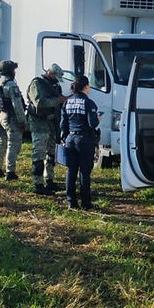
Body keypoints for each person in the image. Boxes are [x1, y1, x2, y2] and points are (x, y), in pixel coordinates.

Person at [59, 75, 102, 209]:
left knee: (71, 171)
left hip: (70, 139)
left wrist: (65, 138)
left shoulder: (67, 102)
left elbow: (63, 124)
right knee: (84, 172)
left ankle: (71, 202)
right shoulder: (88, 103)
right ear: (86, 86)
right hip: (84, 140)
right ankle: (85, 203)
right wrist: (98, 118)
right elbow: (92, 123)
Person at [27, 63, 67, 195]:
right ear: (50, 73)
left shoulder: (54, 86)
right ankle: (38, 183)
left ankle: (49, 179)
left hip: (52, 124)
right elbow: (39, 102)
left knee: (51, 154)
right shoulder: (37, 84)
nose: (56, 80)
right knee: (39, 154)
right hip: (39, 124)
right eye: (55, 77)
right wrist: (58, 100)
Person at [0, 60, 27, 181]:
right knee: (13, 144)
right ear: (10, 71)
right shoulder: (11, 85)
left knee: (1, 142)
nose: (15, 72)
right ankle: (10, 172)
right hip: (11, 117)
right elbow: (17, 104)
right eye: (13, 70)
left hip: (1, 115)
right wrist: (22, 121)